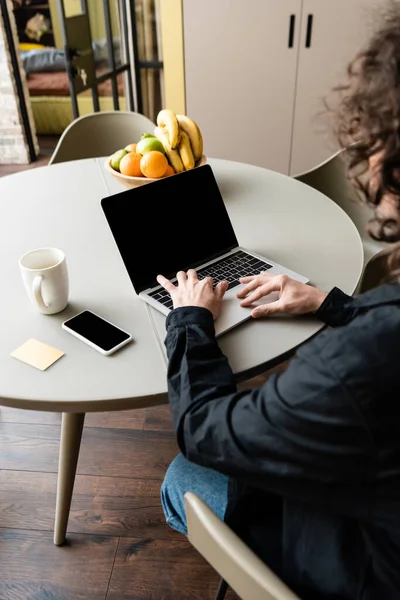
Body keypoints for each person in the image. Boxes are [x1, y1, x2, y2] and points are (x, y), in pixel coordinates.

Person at [157, 5, 400, 599]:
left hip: (361, 568)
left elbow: (205, 431)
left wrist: (190, 319)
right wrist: (332, 303)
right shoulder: (372, 330)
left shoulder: (350, 364)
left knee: (180, 477)